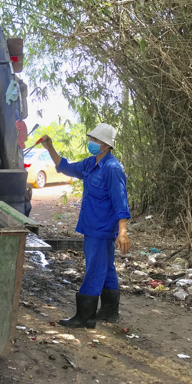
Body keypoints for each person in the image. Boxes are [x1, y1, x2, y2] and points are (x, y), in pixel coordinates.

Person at [40, 123, 130, 329]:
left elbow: (120, 202)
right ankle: (109, 311)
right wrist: (50, 149)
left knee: (95, 269)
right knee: (106, 267)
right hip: (91, 226)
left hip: (102, 229)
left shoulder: (112, 169)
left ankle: (85, 316)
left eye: (96, 140)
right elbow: (66, 168)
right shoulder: (91, 164)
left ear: (107, 145)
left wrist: (122, 232)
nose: (92, 143)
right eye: (92, 139)